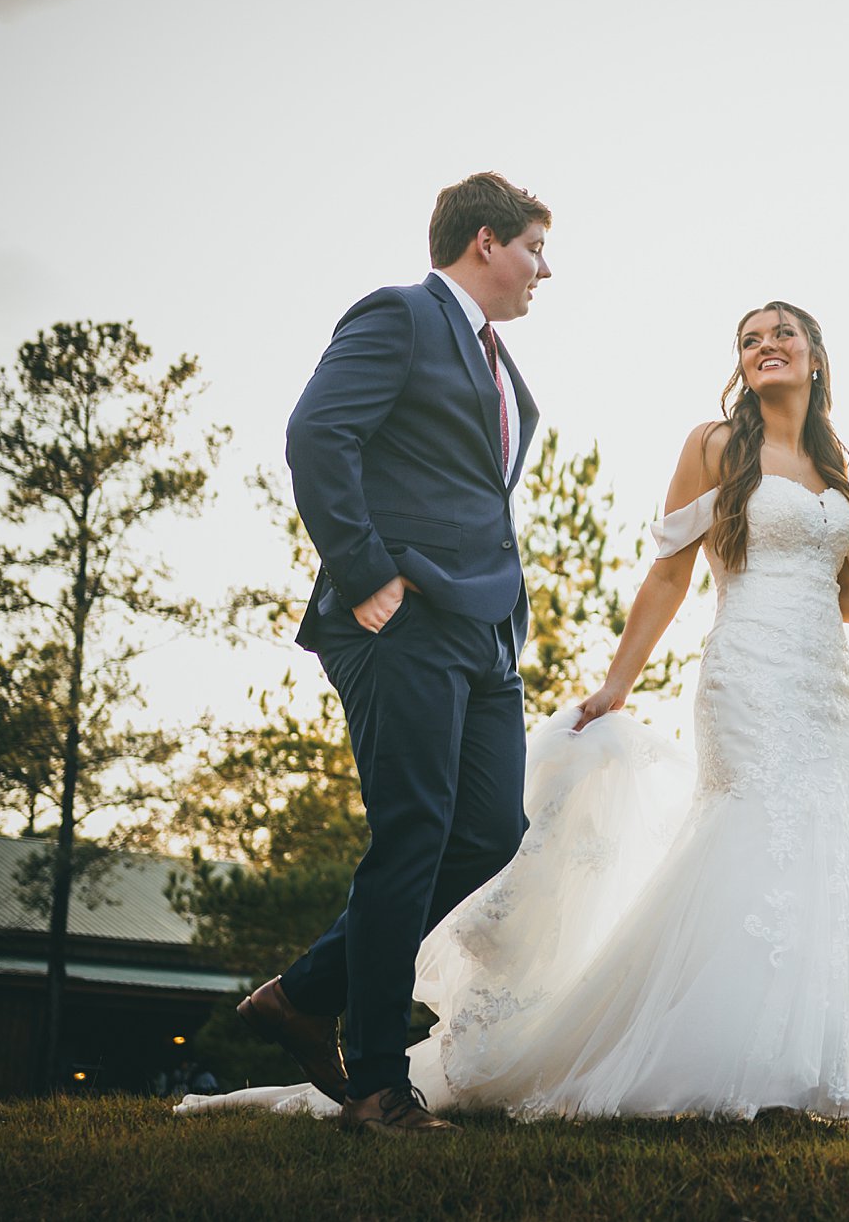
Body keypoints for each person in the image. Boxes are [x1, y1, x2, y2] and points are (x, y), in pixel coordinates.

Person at [180, 300, 849, 1123]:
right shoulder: (715, 446)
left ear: (815, 354)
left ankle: (794, 1072)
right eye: (750, 339)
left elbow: (840, 590)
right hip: (750, 673)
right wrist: (616, 684)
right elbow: (669, 574)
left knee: (831, 841)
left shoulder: (835, 465)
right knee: (756, 839)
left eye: (783, 333)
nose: (766, 345)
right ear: (741, 366)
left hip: (829, 688)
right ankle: (731, 1067)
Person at [230, 173, 548, 1136]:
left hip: (486, 634)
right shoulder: (401, 316)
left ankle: (304, 991)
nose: (545, 270)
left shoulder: (508, 375)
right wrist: (364, 569)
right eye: (536, 247)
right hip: (396, 619)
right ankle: (375, 1084)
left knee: (490, 828)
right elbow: (317, 431)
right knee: (413, 830)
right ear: (485, 242)